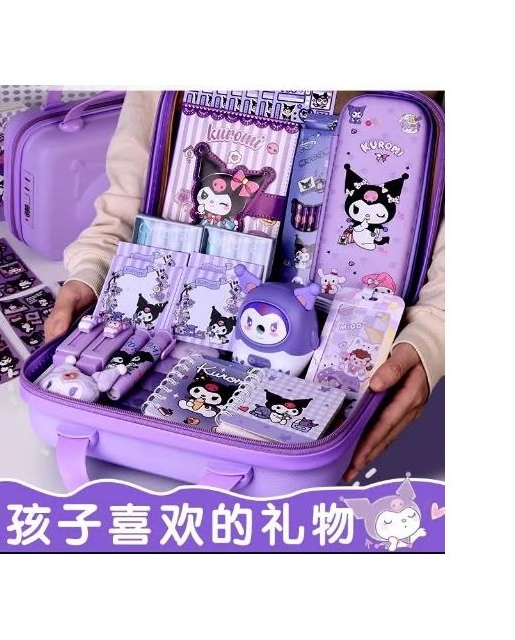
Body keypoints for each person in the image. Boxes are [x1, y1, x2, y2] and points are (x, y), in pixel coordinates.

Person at [44, 91, 445, 481]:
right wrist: (96, 264)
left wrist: (435, 329)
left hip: (361, 319)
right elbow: (131, 186)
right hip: (190, 317)